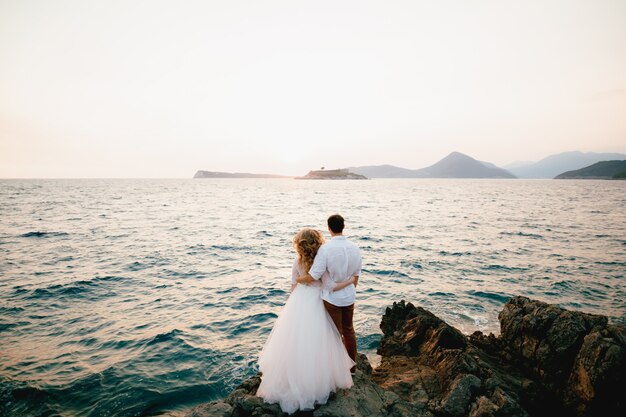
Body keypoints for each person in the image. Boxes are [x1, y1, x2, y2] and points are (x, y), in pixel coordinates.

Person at [256, 228, 355, 414]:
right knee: (319, 340)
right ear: (318, 243)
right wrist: (350, 281)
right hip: (317, 300)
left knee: (294, 340)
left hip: (300, 299)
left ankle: (291, 377)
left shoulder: (297, 261)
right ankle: (317, 380)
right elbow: (328, 285)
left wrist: (292, 306)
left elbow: (294, 284)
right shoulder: (321, 262)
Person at [296, 214, 362, 372]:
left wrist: (298, 280)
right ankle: (352, 367)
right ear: (343, 226)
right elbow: (357, 273)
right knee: (349, 330)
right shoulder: (355, 247)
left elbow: (314, 275)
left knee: (334, 333)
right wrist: (351, 288)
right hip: (349, 296)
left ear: (329, 228)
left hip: (332, 299)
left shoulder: (325, 249)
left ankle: (337, 369)